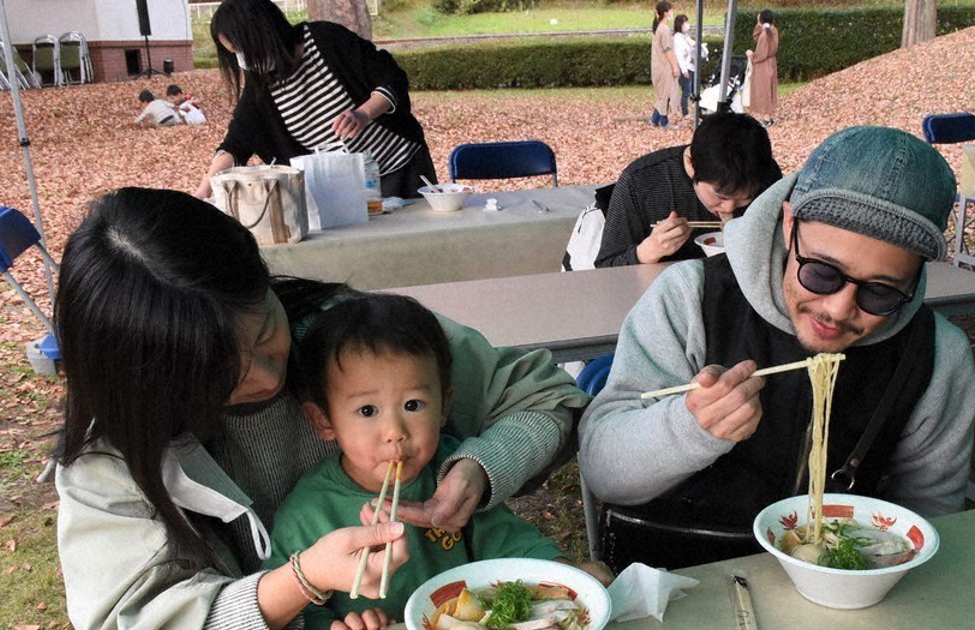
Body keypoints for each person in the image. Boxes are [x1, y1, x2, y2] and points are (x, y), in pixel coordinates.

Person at [53, 187, 592, 628]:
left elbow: (545, 399)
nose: (269, 377)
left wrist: (481, 467)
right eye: (220, 377)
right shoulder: (113, 457)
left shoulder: (356, 344)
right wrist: (301, 581)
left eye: (266, 331)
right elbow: (128, 619)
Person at [579, 126, 975, 571]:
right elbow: (603, 472)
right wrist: (689, 427)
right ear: (789, 224)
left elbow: (927, 513)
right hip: (678, 576)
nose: (838, 309)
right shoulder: (691, 297)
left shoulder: (937, 354)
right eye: (823, 272)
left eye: (881, 292)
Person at [267, 293, 611, 628]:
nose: (395, 431)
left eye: (413, 405)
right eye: (367, 410)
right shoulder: (305, 514)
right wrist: (339, 624)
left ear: (445, 405)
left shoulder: (449, 470)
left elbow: (508, 541)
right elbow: (299, 611)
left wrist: (561, 572)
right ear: (323, 420)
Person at [193, 0, 436, 200]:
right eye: (235, 53)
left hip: (403, 165)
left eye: (244, 50)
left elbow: (390, 77)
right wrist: (203, 191)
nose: (243, 60)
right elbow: (236, 142)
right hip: (344, 191)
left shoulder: (325, 40)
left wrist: (363, 113)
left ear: (264, 32)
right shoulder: (260, 89)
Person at [594, 111, 782, 267]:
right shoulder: (640, 181)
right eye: (720, 197)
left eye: (744, 199)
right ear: (691, 165)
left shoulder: (765, 175)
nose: (729, 209)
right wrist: (648, 251)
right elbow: (605, 267)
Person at [650, 1, 681, 128]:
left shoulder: (659, 29)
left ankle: (655, 120)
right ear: (666, 12)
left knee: (663, 94)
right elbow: (668, 50)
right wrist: (674, 66)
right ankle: (664, 121)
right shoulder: (664, 29)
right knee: (666, 94)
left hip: (659, 66)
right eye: (671, 10)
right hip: (664, 67)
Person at [747, 10, 779, 126]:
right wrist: (759, 24)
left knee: (763, 89)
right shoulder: (772, 30)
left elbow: (761, 53)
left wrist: (752, 55)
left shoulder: (766, 35)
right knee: (768, 88)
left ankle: (767, 118)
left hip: (764, 64)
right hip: (770, 63)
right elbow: (757, 37)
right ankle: (768, 116)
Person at [673, 14, 706, 118]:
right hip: (686, 68)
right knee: (686, 91)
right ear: (680, 25)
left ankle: (697, 109)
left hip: (691, 67)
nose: (687, 25)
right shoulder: (677, 38)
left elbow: (693, 44)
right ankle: (685, 112)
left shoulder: (685, 37)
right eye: (685, 23)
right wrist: (684, 70)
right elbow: (679, 56)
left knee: (694, 90)